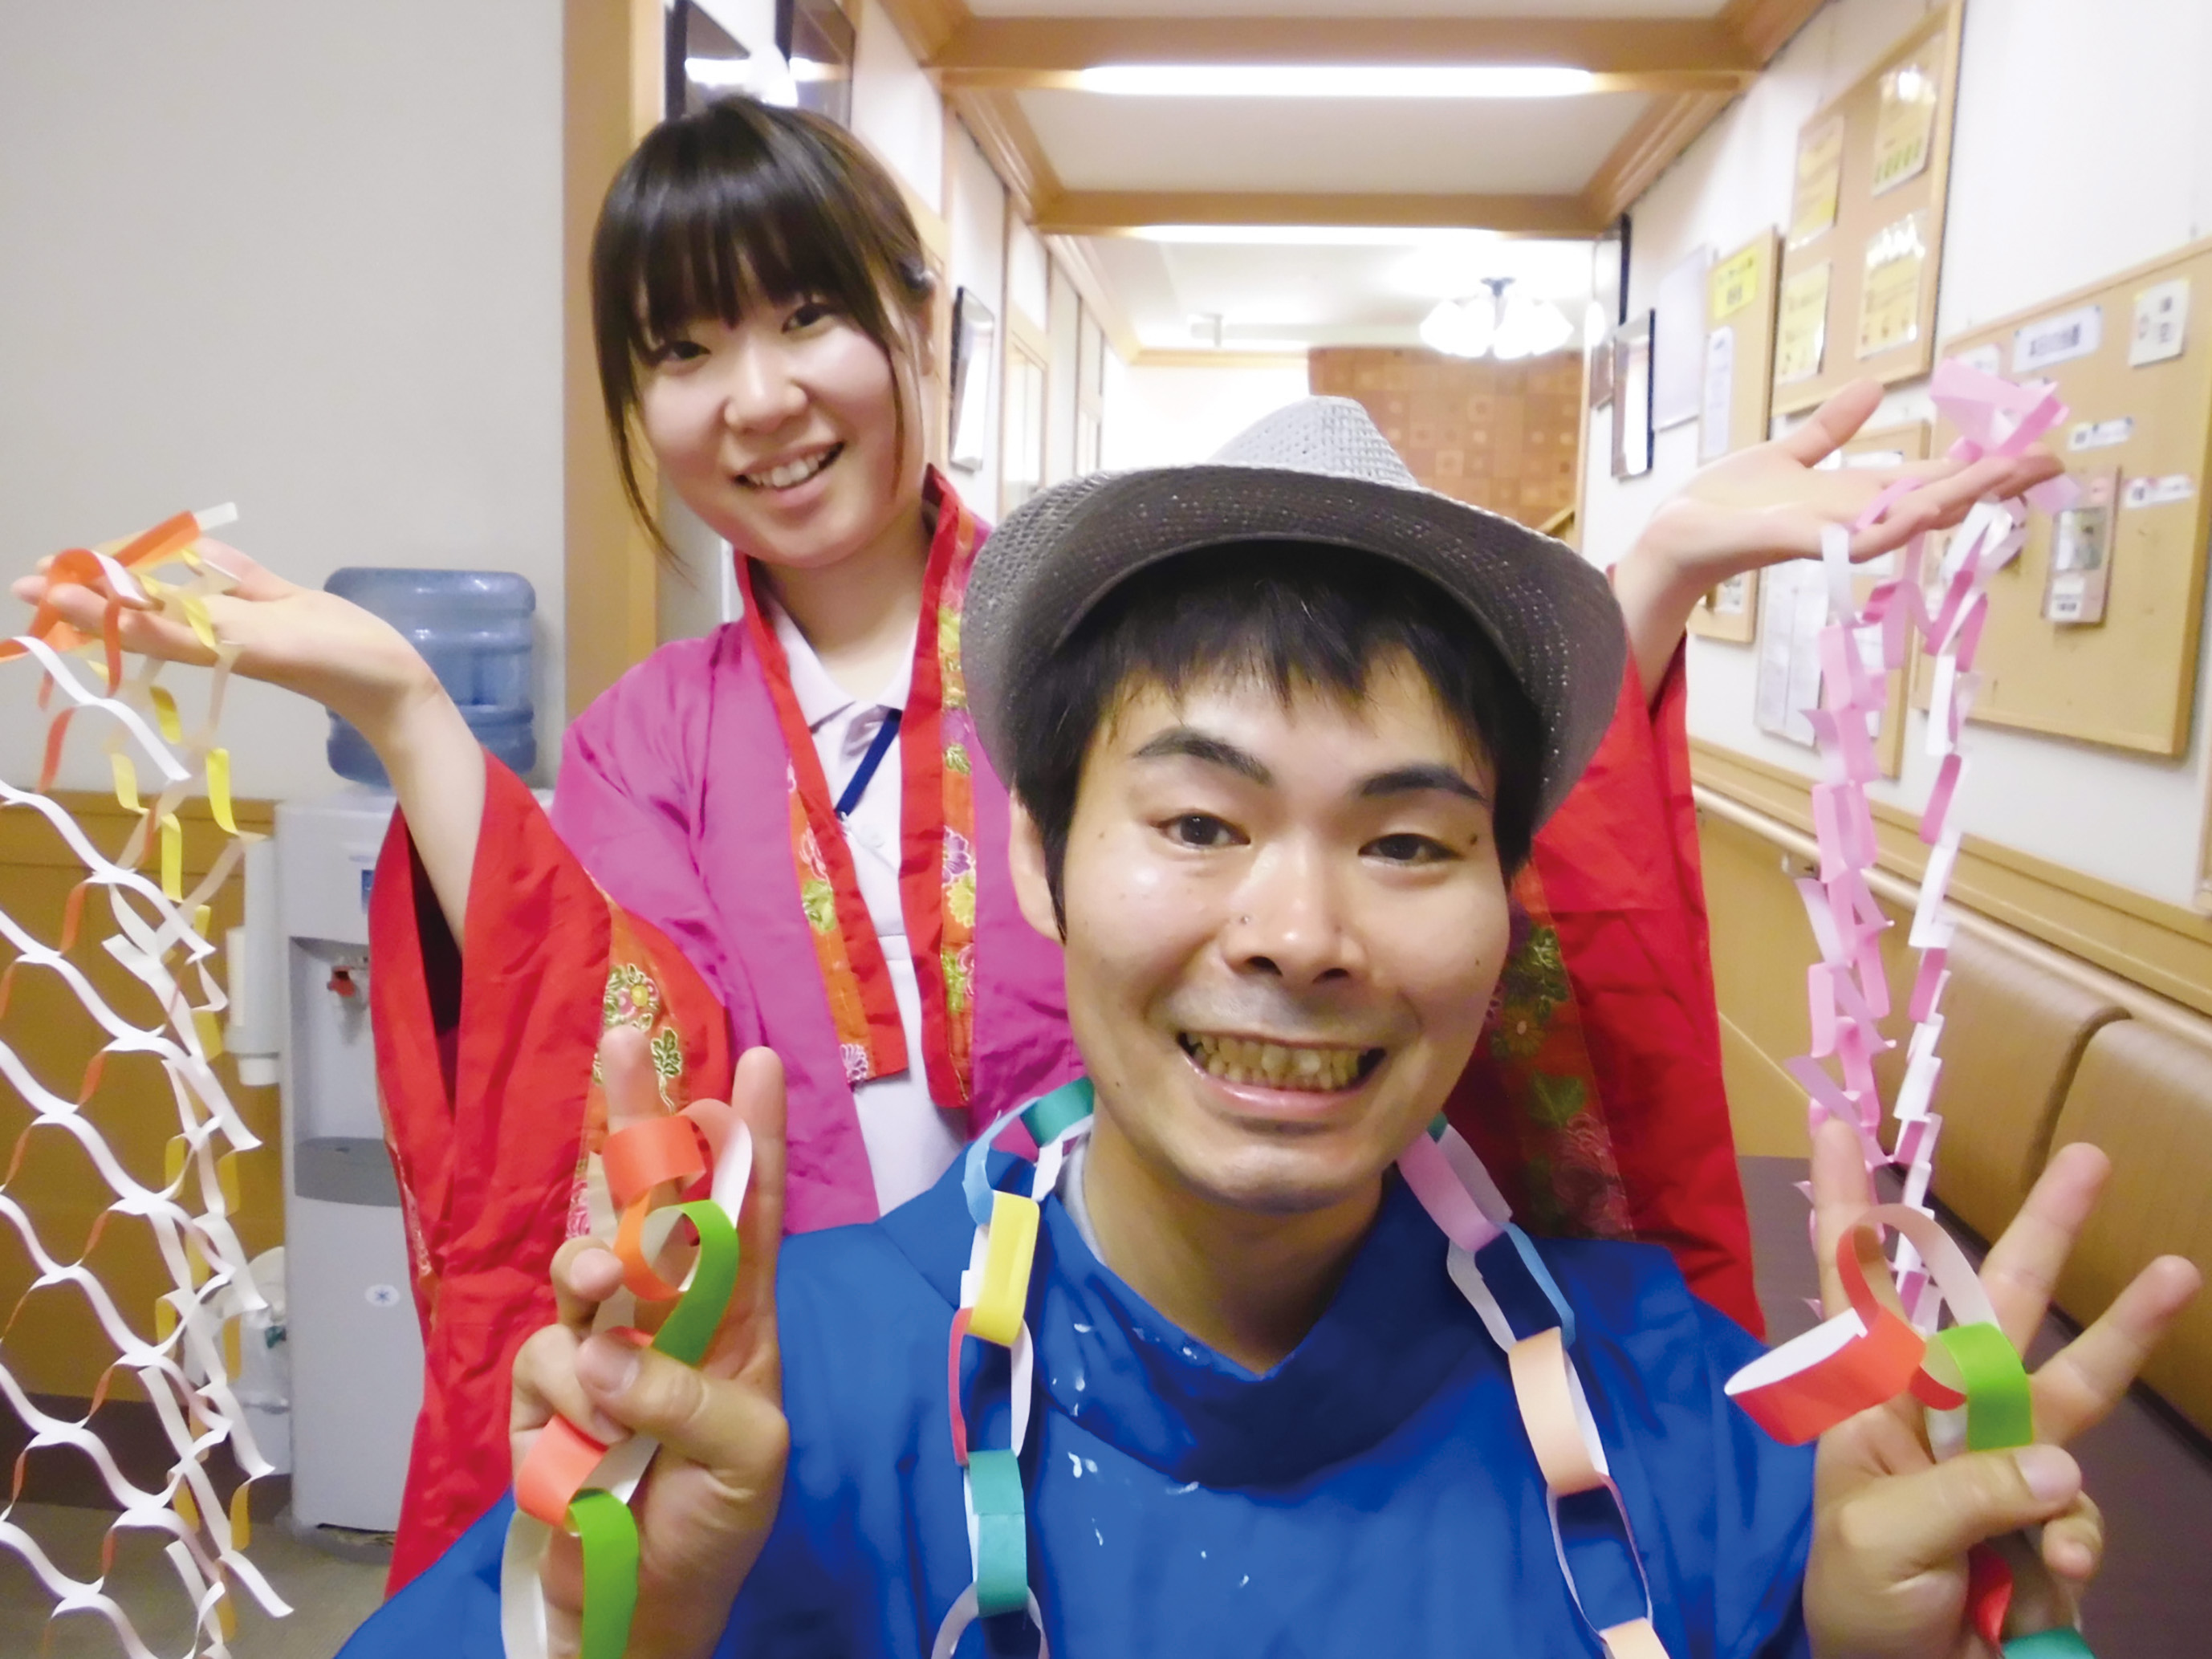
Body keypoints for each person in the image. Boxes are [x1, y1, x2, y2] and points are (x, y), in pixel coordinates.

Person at [10, 100, 2057, 1584]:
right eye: (679, 350)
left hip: (1185, 1356)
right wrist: (405, 708)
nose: (756, 398)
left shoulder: (1119, 636)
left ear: (919, 327)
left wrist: (1656, 575)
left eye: (803, 316)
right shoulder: (648, 743)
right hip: (837, 1403)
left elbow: (1413, 808)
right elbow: (608, 1047)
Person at [335, 397, 2195, 1659]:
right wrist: (602, 1628)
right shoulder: (784, 1403)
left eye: (1406, 842)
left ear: (1505, 902)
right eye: (1200, 822)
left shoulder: (1685, 1417)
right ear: (1039, 860)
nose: (1299, 934)